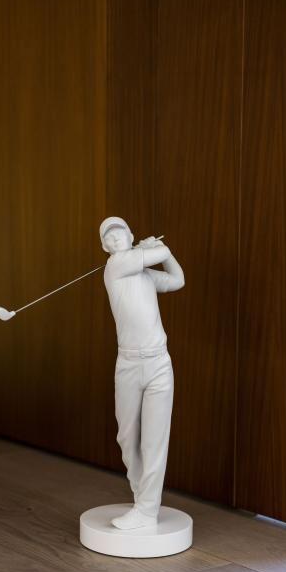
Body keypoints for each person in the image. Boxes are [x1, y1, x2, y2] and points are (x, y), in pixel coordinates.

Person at [99, 216, 185, 530]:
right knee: (126, 437)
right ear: (105, 248)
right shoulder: (115, 266)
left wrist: (161, 250)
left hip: (159, 363)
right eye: (108, 238)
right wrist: (153, 248)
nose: (114, 239)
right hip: (129, 365)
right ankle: (142, 497)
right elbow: (159, 253)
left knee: (154, 441)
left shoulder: (145, 274)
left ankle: (147, 509)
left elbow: (177, 280)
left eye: (119, 233)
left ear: (131, 235)